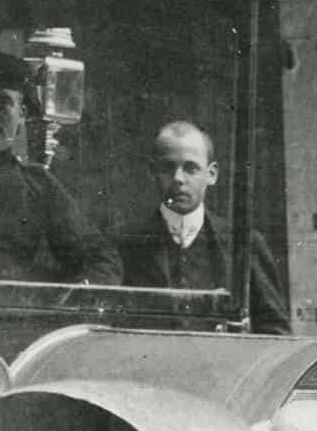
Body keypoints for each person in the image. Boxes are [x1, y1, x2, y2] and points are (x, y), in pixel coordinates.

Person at [0, 52, 120, 285]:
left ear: (21, 116)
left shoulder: (39, 184)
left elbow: (101, 261)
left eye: (2, 104)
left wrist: (71, 299)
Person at [117, 120, 290, 334]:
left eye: (191, 168)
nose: (179, 178)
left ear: (212, 174)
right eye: (168, 168)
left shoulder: (244, 244)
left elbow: (275, 332)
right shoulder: (124, 245)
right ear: (152, 171)